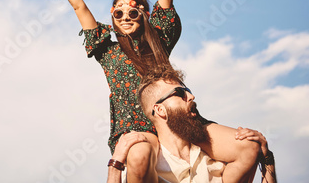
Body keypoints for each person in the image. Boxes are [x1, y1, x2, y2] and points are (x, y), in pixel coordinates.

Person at [33, 0, 259, 183]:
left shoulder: (160, 40)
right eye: (118, 13)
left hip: (181, 123)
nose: (125, 17)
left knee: (249, 147)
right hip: (140, 131)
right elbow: (78, 3)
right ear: (112, 18)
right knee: (138, 157)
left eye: (133, 12)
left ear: (146, 15)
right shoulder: (107, 51)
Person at [107, 67, 276, 183]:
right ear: (160, 110)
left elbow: (248, 152)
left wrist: (267, 159)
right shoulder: (150, 163)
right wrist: (115, 164)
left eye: (188, 90)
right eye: (180, 93)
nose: (191, 96)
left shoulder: (216, 162)